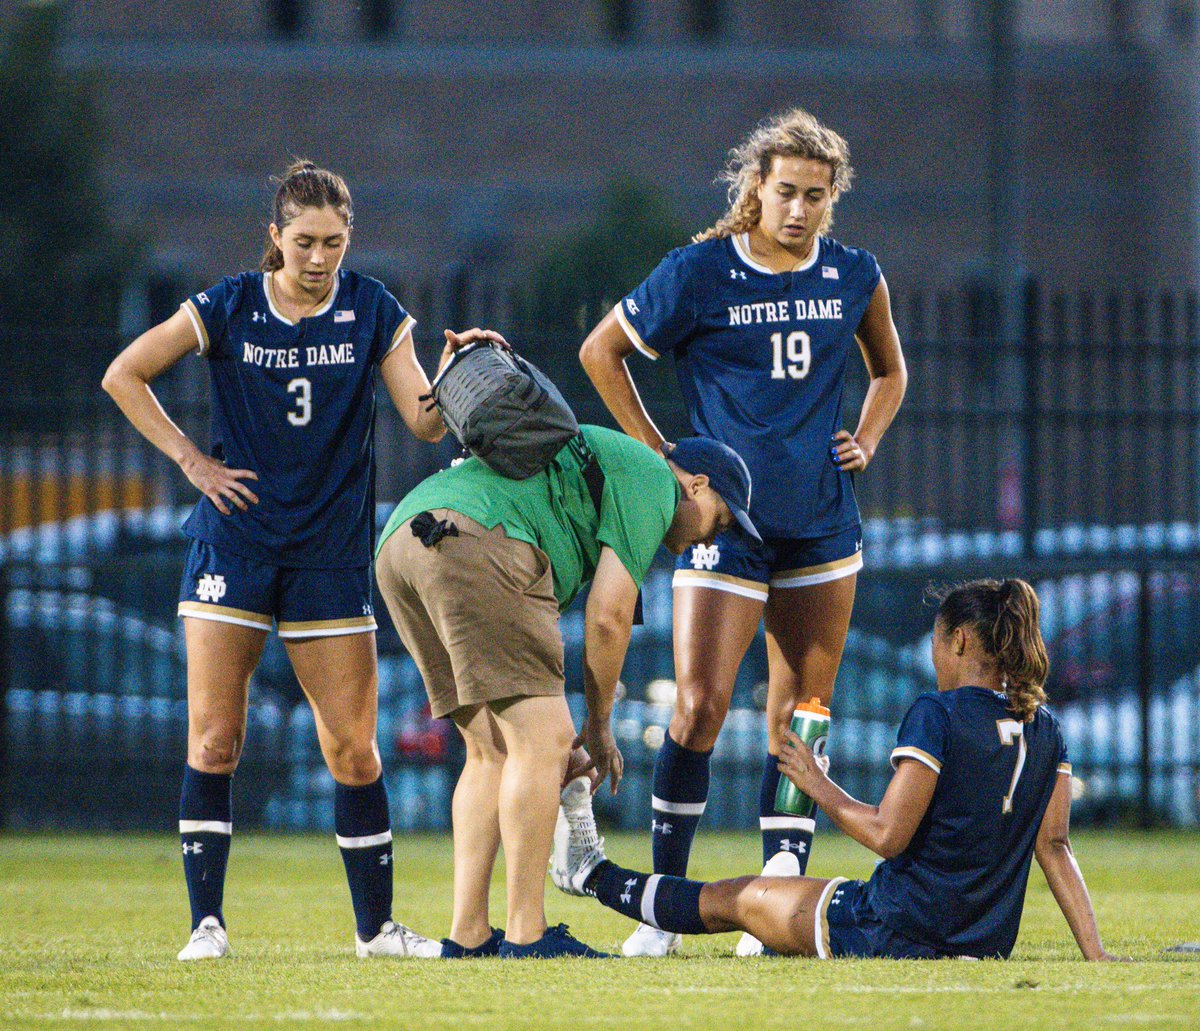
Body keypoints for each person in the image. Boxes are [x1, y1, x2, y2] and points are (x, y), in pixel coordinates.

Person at [101, 160, 485, 961]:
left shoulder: (373, 308)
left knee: (353, 746)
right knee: (214, 739)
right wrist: (191, 462)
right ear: (274, 237)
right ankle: (206, 923)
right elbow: (124, 373)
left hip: (329, 551)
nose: (320, 258)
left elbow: (420, 422)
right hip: (234, 540)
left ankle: (376, 930)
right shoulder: (229, 305)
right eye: (305, 242)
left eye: (335, 243)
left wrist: (458, 375)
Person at [578, 107, 908, 956]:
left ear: (833, 200)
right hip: (729, 526)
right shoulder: (697, 272)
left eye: (817, 195)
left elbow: (891, 371)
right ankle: (666, 909)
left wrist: (865, 438)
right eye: (786, 191)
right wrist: (660, 462)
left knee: (802, 715)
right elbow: (598, 351)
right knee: (697, 707)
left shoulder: (854, 273)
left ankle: (773, 907)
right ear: (754, 189)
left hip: (822, 524)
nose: (799, 209)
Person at [553, 579, 1119, 962]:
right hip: (985, 939)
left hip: (893, 926)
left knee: (735, 899)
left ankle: (590, 874)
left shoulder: (937, 713)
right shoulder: (1046, 726)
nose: (934, 657)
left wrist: (814, 783)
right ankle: (597, 874)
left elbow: (887, 836)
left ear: (961, 640)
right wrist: (1097, 957)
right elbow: (1056, 847)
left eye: (939, 643)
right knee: (766, 900)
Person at [374, 428, 759, 958]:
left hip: (403, 541)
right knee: (543, 746)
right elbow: (608, 617)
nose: (713, 539)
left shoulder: (610, 470)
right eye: (720, 519)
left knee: (491, 750)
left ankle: (468, 935)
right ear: (696, 485)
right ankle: (527, 934)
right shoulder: (654, 481)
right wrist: (596, 730)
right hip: (477, 538)